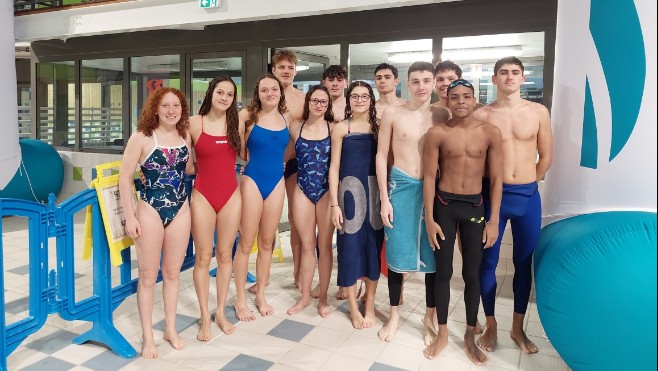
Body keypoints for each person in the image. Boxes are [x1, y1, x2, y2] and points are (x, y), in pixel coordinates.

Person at [474, 56, 553, 355]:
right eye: (503, 73)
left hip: (527, 196)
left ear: (523, 78)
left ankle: (517, 327)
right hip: (492, 196)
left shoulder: (538, 112)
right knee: (489, 263)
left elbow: (546, 155)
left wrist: (530, 182)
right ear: (494, 79)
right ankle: (491, 323)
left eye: (515, 73)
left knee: (523, 263)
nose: (509, 77)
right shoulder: (482, 115)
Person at [422, 78, 503, 365]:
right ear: (446, 101)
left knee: (472, 273)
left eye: (466, 96)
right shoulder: (437, 133)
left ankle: (469, 333)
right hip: (444, 205)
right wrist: (429, 218)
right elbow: (430, 177)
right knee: (442, 272)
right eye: (454, 97)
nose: (460, 102)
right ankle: (443, 332)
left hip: (474, 206)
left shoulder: (490, 132)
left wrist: (493, 220)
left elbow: (496, 180)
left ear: (474, 99)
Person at [119, 87, 194, 358]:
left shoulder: (184, 136)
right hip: (150, 210)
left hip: (181, 210)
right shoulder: (141, 137)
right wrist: (130, 217)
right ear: (155, 109)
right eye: (165, 106)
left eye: (176, 106)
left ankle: (170, 329)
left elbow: (188, 170)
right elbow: (125, 178)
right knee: (149, 277)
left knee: (173, 274)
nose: (171, 111)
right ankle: (147, 335)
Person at [376, 61, 437, 345]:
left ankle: (429, 317)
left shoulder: (442, 114)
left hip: (433, 190)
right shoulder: (392, 113)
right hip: (400, 187)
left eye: (427, 80)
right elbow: (380, 156)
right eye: (416, 81)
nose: (422, 86)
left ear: (435, 83)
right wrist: (384, 199)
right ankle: (395, 314)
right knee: (397, 256)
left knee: (433, 257)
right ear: (407, 84)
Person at [188, 76, 245, 341]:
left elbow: (246, 154)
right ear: (211, 93)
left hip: (231, 196)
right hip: (202, 195)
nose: (224, 98)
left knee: (225, 255)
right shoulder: (193, 123)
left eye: (230, 94)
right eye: (220, 92)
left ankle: (220, 312)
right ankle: (204, 316)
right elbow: (182, 159)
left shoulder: (236, 124)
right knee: (202, 257)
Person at [233, 74, 293, 321]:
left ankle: (259, 293)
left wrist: (281, 164)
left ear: (280, 92)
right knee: (246, 242)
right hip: (252, 180)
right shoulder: (247, 116)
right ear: (258, 93)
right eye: (265, 90)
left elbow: (288, 148)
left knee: (268, 242)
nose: (270, 93)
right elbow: (236, 147)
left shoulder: (286, 117)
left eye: (274, 89)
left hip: (276, 182)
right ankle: (239, 300)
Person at [329, 81, 383, 329]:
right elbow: (334, 168)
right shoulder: (342, 128)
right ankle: (352, 306)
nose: (360, 100)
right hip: (348, 194)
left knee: (373, 249)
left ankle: (369, 303)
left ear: (371, 100)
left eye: (364, 96)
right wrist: (334, 204)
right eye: (355, 96)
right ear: (348, 99)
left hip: (374, 194)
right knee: (349, 250)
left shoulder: (380, 127)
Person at [286, 85, 336, 317]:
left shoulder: (334, 128)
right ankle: (305, 296)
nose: (318, 105)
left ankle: (323, 298)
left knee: (324, 246)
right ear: (308, 103)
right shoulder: (296, 127)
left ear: (328, 105)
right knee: (307, 245)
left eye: (323, 102)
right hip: (302, 189)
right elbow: (283, 153)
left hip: (326, 191)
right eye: (314, 101)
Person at [272, 50, 306, 291]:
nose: (286, 70)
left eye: (290, 67)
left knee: (297, 219)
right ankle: (261, 277)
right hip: (270, 163)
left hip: (295, 163)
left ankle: (297, 274)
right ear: (273, 70)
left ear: (295, 70)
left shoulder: (303, 99)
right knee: (267, 220)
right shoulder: (266, 95)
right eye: (281, 66)